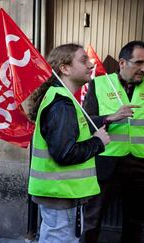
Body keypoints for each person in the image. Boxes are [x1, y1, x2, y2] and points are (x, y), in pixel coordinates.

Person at [27, 44, 112, 243]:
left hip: (62, 193)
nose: (91, 64)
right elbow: (65, 153)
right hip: (61, 195)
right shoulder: (62, 104)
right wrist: (98, 142)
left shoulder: (63, 99)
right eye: (83, 60)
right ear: (64, 68)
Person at [81, 40, 144, 243]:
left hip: (140, 164)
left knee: (137, 223)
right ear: (122, 62)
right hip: (105, 163)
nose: (143, 68)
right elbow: (85, 123)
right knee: (92, 221)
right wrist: (110, 117)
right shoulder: (98, 84)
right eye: (139, 62)